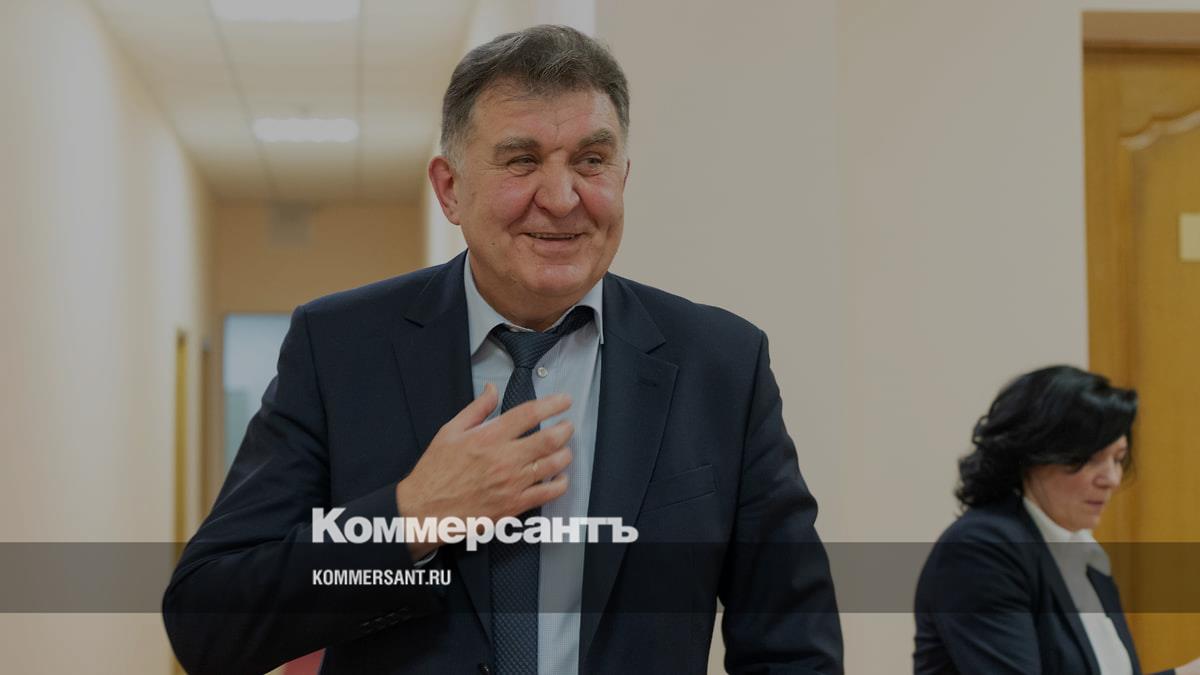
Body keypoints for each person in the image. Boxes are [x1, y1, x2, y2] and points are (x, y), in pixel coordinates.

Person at [163, 25, 842, 674]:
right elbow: (209, 623)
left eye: (592, 161)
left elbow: (792, 649)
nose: (562, 198)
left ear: (623, 177)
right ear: (450, 188)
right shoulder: (340, 348)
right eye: (522, 161)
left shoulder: (721, 365)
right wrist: (410, 518)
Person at [913, 365, 1200, 675]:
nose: (1112, 479)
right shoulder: (981, 549)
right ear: (1033, 455)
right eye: (1091, 458)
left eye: (1118, 459)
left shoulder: (1084, 553)